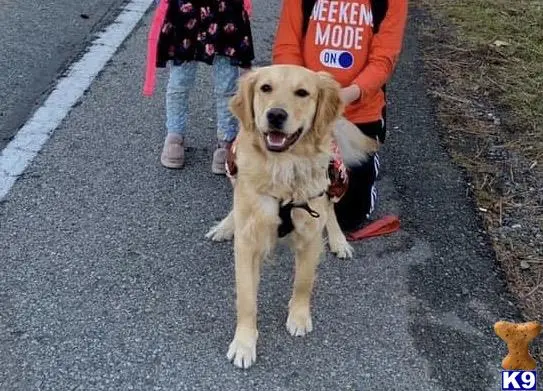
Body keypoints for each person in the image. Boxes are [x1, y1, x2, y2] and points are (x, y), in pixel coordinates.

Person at [272, 0, 407, 233]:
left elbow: (383, 60)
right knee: (279, 220)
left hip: (357, 113)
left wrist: (342, 97)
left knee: (348, 217)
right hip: (304, 110)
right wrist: (304, 97)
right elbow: (287, 47)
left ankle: (363, 169)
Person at [143, 0, 255, 173]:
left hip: (225, 9)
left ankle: (226, 139)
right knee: (180, 80)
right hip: (186, 9)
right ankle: (174, 135)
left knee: (226, 84)